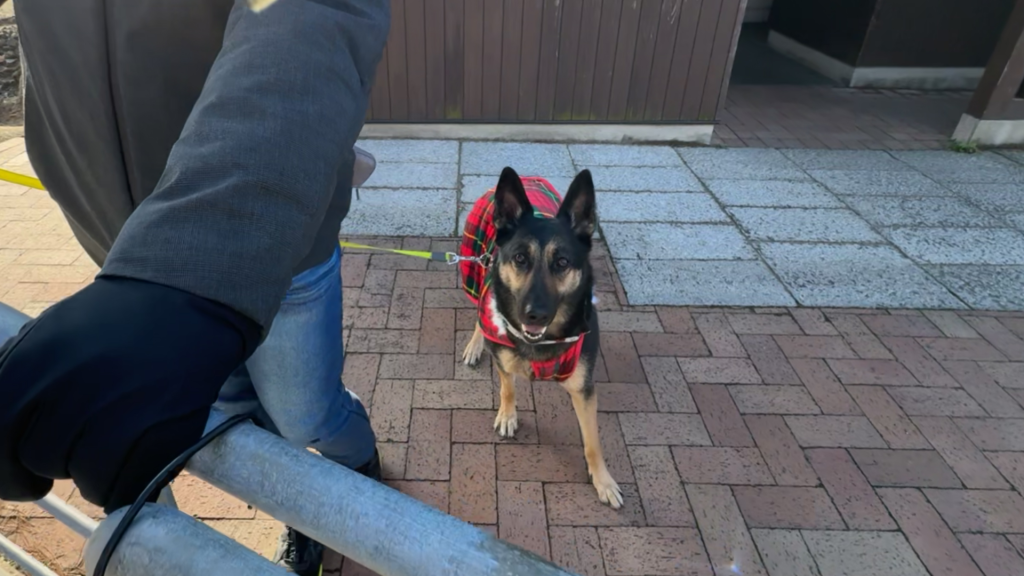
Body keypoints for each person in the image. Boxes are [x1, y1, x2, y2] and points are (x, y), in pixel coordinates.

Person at [0, 0, 390, 574]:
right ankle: (298, 508)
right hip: (118, 243)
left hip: (277, 238)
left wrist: (191, 262)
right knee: (235, 416)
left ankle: (358, 460)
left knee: (306, 414)